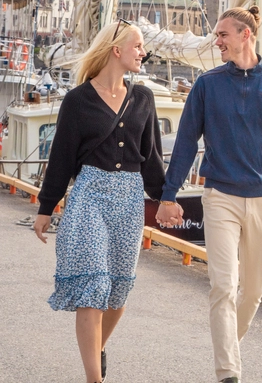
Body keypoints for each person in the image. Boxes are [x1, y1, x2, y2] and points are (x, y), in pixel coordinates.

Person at [161, 6, 262, 383]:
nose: (217, 41)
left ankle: (228, 347)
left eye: (222, 34)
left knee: (255, 289)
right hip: (220, 196)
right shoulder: (207, 85)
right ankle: (229, 373)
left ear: (245, 35)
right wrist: (168, 194)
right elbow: (184, 145)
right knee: (224, 285)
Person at [32, 20, 180, 383]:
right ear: (117, 50)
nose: (143, 52)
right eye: (138, 45)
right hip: (89, 197)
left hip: (129, 200)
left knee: (117, 289)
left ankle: (96, 349)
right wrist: (45, 208)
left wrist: (166, 199)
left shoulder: (143, 97)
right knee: (93, 287)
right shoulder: (78, 100)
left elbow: (152, 159)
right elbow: (62, 158)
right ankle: (93, 379)